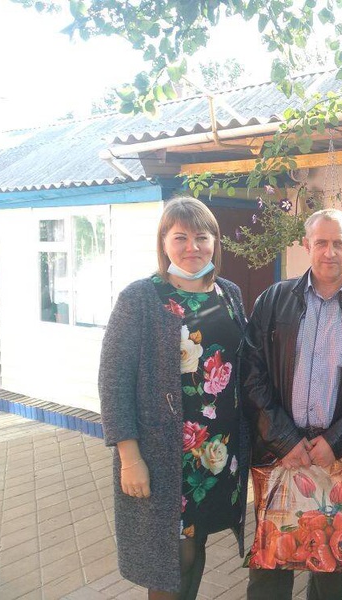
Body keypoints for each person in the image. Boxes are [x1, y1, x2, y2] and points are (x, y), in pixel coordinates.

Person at [99, 197, 249, 599]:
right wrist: (130, 459)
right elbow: (113, 382)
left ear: (216, 242)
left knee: (194, 545)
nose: (192, 247)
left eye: (202, 237)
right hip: (166, 457)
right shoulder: (141, 299)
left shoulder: (229, 293)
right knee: (171, 562)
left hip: (217, 451)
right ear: (164, 242)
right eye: (180, 237)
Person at [242, 208, 342, 600]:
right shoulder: (274, 300)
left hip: (338, 459)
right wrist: (283, 438)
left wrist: (336, 442)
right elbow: (252, 372)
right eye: (322, 242)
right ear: (306, 244)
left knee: (328, 565)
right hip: (282, 454)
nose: (330, 252)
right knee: (271, 563)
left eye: (339, 243)